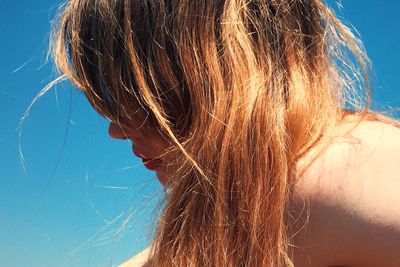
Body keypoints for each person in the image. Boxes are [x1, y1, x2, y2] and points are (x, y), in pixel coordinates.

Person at [51, 0, 400, 266]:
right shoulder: (247, 207)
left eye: (136, 94)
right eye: (109, 99)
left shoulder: (336, 174)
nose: (116, 129)